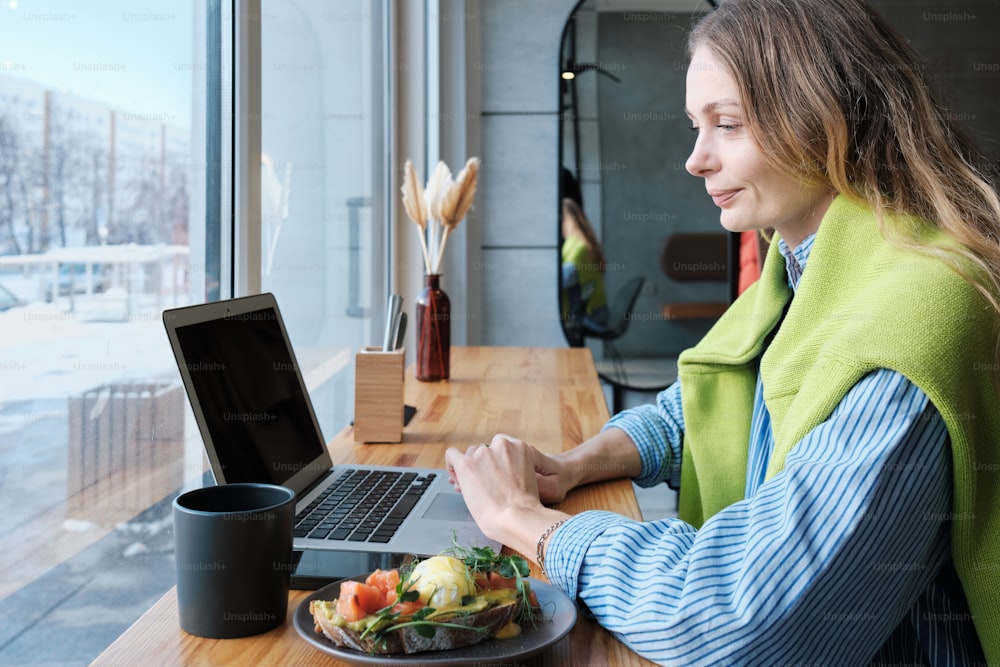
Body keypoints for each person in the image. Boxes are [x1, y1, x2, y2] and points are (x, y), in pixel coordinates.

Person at [445, 0, 1000, 664]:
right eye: (694, 126)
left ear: (823, 118)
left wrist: (525, 522)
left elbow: (739, 615)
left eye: (727, 125)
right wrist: (575, 464)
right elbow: (724, 397)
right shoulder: (804, 270)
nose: (695, 159)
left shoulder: (916, 318)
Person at [561, 197, 609, 340]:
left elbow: (562, 280)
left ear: (567, 221)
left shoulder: (578, 247)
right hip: (598, 310)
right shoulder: (580, 241)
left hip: (592, 315)